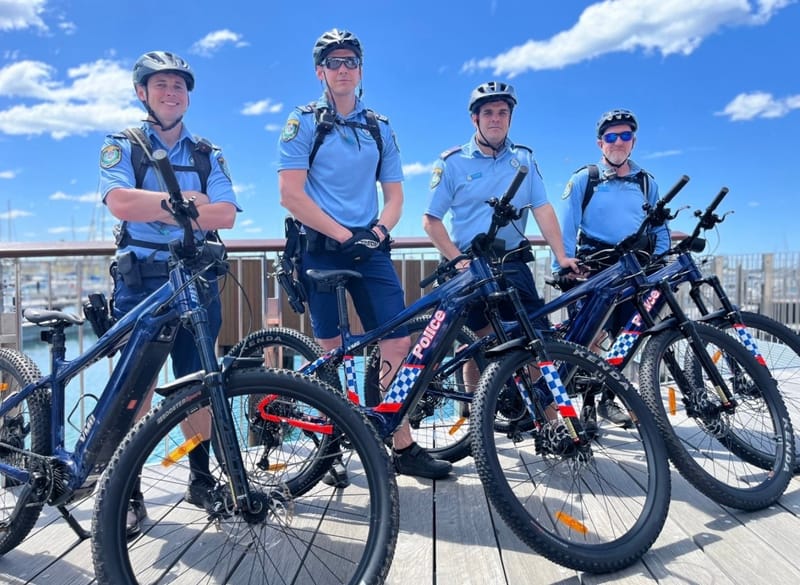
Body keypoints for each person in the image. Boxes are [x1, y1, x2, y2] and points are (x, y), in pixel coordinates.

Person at [277, 28, 452, 484]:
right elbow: (289, 194)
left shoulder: (379, 127)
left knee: (396, 342)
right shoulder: (304, 122)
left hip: (369, 248)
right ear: (320, 72)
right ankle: (331, 446)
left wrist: (377, 230)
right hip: (319, 246)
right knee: (335, 353)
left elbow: (395, 196)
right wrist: (340, 233)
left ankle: (400, 442)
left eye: (350, 61)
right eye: (333, 62)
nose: (342, 69)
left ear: (360, 70)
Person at [99, 51, 241, 536]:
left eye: (179, 86)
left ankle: (199, 479)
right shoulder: (124, 145)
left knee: (198, 383)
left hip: (196, 278)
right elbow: (120, 203)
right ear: (143, 92)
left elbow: (225, 215)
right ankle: (127, 489)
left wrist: (156, 208)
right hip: (143, 280)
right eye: (161, 85)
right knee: (132, 391)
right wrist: (184, 205)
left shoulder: (207, 152)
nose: (171, 92)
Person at [423, 81, 579, 405]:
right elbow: (431, 220)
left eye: (502, 113)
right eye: (488, 113)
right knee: (476, 347)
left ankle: (549, 422)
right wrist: (456, 259)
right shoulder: (451, 163)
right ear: (475, 119)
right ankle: (477, 423)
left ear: (510, 118)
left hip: (512, 263)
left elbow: (543, 209)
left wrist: (562, 256)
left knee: (536, 340)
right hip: (468, 265)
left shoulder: (523, 160)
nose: (496, 119)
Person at [555, 108, 671, 429]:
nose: (618, 142)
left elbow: (660, 227)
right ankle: (588, 406)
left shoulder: (647, 182)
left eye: (625, 136)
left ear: (633, 141)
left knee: (626, 338)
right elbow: (567, 226)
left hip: (634, 270)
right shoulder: (585, 179)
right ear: (600, 143)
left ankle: (607, 398)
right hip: (594, 270)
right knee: (588, 341)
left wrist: (660, 259)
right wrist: (562, 268)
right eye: (611, 137)